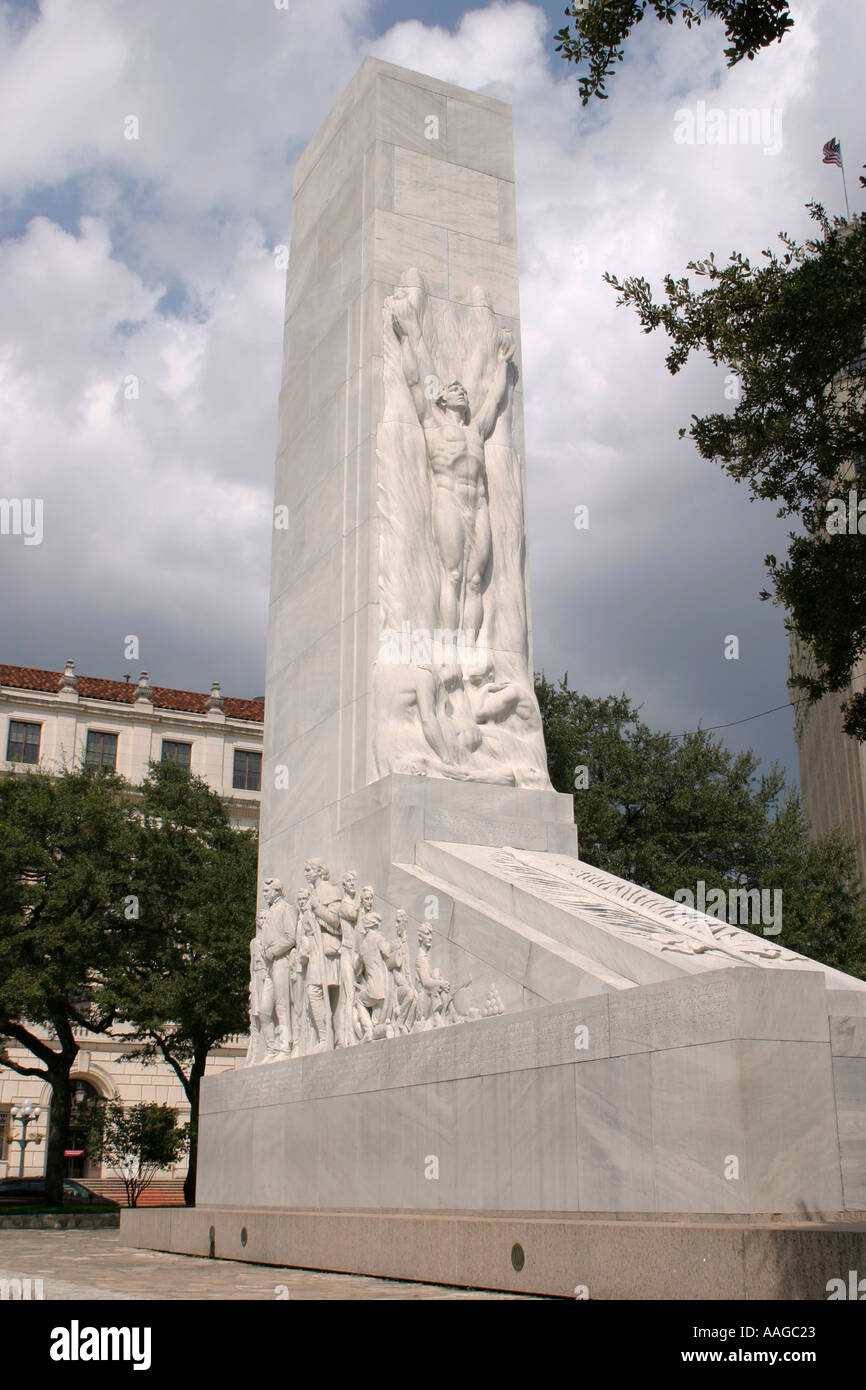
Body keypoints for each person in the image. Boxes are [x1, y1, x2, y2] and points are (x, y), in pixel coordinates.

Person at [260, 878, 296, 1059]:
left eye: (267, 891)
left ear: (277, 891)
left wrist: (274, 951)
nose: (264, 894)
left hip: (281, 961)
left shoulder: (286, 909)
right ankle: (270, 1049)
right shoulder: (270, 912)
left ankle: (284, 1047)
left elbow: (291, 938)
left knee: (281, 1006)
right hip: (269, 966)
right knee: (264, 1010)